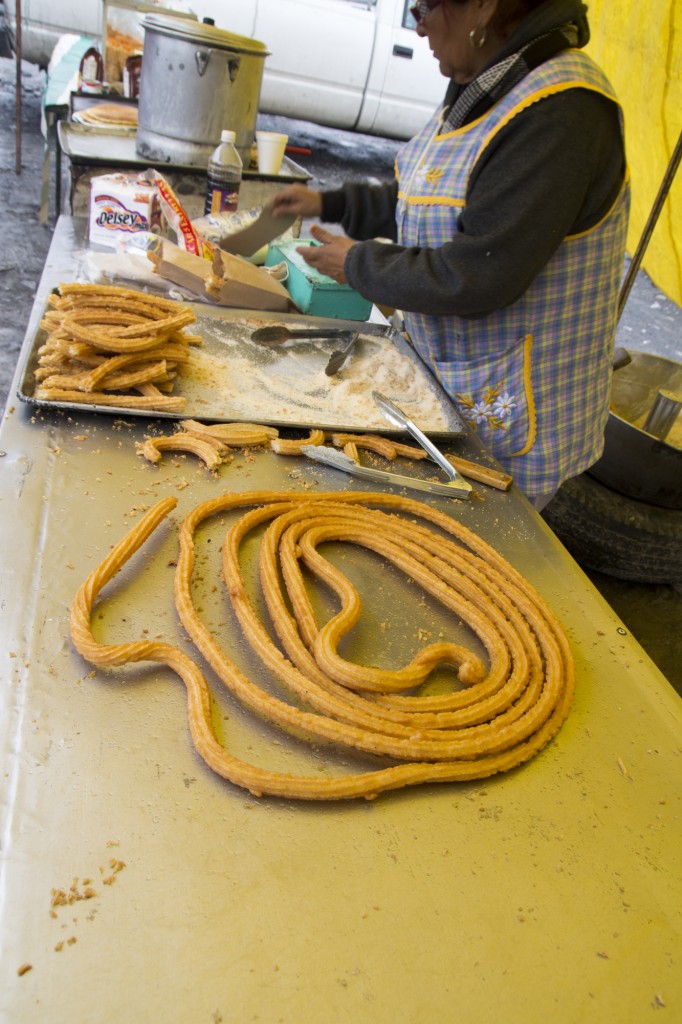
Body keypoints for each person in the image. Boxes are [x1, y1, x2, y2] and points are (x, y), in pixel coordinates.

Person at [271, 0, 629, 509]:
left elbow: (478, 276)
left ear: (481, 7)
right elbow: (424, 197)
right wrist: (329, 202)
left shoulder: (561, 113)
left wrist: (358, 264)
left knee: (475, 549)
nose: (418, 28)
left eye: (424, 9)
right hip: (449, 378)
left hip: (513, 405)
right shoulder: (484, 82)